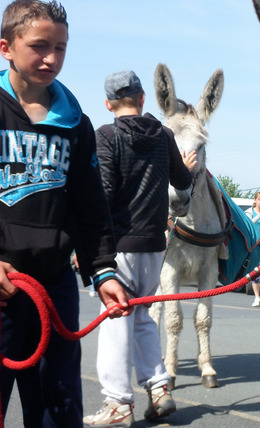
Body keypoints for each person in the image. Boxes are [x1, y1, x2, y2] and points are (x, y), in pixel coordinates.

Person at [0, 2, 132, 427]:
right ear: (5, 47)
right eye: (39, 46)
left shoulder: (75, 122)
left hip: (53, 287)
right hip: (2, 283)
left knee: (59, 412)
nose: (51, 58)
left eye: (60, 48)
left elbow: (89, 207)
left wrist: (104, 271)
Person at [82, 70, 197, 426]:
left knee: (116, 318)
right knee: (141, 315)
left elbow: (103, 193)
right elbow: (181, 180)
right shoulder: (163, 136)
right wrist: (188, 168)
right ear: (143, 98)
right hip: (153, 244)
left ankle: (118, 403)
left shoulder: (107, 136)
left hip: (119, 242)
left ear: (108, 104)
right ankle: (159, 389)